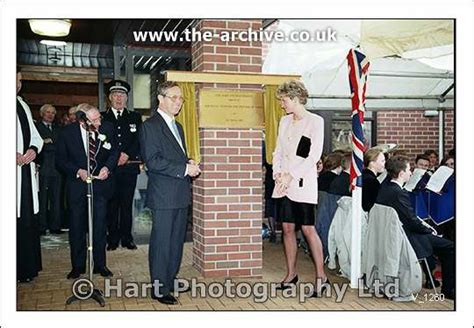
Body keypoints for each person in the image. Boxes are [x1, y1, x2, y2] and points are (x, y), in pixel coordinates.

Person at [139, 81, 201, 305]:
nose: (178, 102)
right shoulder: (150, 126)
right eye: (173, 97)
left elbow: (174, 157)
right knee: (162, 242)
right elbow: (153, 161)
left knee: (176, 241)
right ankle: (159, 287)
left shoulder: (179, 126)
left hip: (180, 193)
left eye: (180, 98)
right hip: (164, 195)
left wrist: (188, 161)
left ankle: (170, 279)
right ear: (160, 99)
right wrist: (185, 169)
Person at [271, 80, 328, 297]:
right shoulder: (284, 121)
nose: (282, 104)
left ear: (295, 99)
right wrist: (278, 173)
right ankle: (291, 274)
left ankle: (321, 277)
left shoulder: (315, 121)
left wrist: (290, 175)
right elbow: (278, 150)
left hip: (302, 183)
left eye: (284, 100)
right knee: (286, 228)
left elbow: (312, 156)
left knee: (307, 229)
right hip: (283, 183)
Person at [376, 155, 455, 300]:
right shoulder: (399, 193)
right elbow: (412, 222)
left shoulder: (385, 189)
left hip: (393, 234)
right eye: (408, 170)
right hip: (407, 237)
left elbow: (409, 218)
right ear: (401, 174)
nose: (411, 173)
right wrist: (430, 230)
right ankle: (448, 290)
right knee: (451, 247)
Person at [56, 103, 119, 279]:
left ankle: (100, 264)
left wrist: (107, 167)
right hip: (77, 187)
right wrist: (78, 171)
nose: (99, 122)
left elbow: (114, 151)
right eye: (95, 120)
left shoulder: (107, 127)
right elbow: (60, 160)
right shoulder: (67, 133)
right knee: (77, 226)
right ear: (82, 121)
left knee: (99, 226)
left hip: (100, 186)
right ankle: (77, 266)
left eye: (99, 117)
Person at [102, 80, 142, 251]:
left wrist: (128, 155)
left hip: (129, 169)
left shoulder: (134, 117)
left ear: (127, 98)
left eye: (122, 95)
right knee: (111, 205)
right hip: (109, 170)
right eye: (115, 95)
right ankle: (112, 238)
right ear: (110, 98)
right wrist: (115, 156)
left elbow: (139, 140)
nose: (119, 98)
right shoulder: (102, 117)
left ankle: (127, 238)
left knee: (126, 205)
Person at [16, 67, 44, 283]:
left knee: (25, 219)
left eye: (20, 80)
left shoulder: (22, 104)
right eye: (14, 80)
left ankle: (24, 270)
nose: (18, 84)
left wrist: (33, 150)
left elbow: (36, 136)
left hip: (24, 170)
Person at [35, 104, 63, 235]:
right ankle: (41, 226)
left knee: (56, 199)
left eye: (53, 112)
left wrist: (48, 144)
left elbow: (61, 145)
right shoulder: (36, 127)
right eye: (47, 112)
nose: (50, 115)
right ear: (42, 114)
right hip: (43, 168)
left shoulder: (59, 128)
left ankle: (55, 226)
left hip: (57, 169)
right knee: (42, 198)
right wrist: (44, 143)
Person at [362, 147, 386, 212]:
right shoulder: (371, 181)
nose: (384, 163)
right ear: (372, 163)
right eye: (382, 161)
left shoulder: (362, 176)